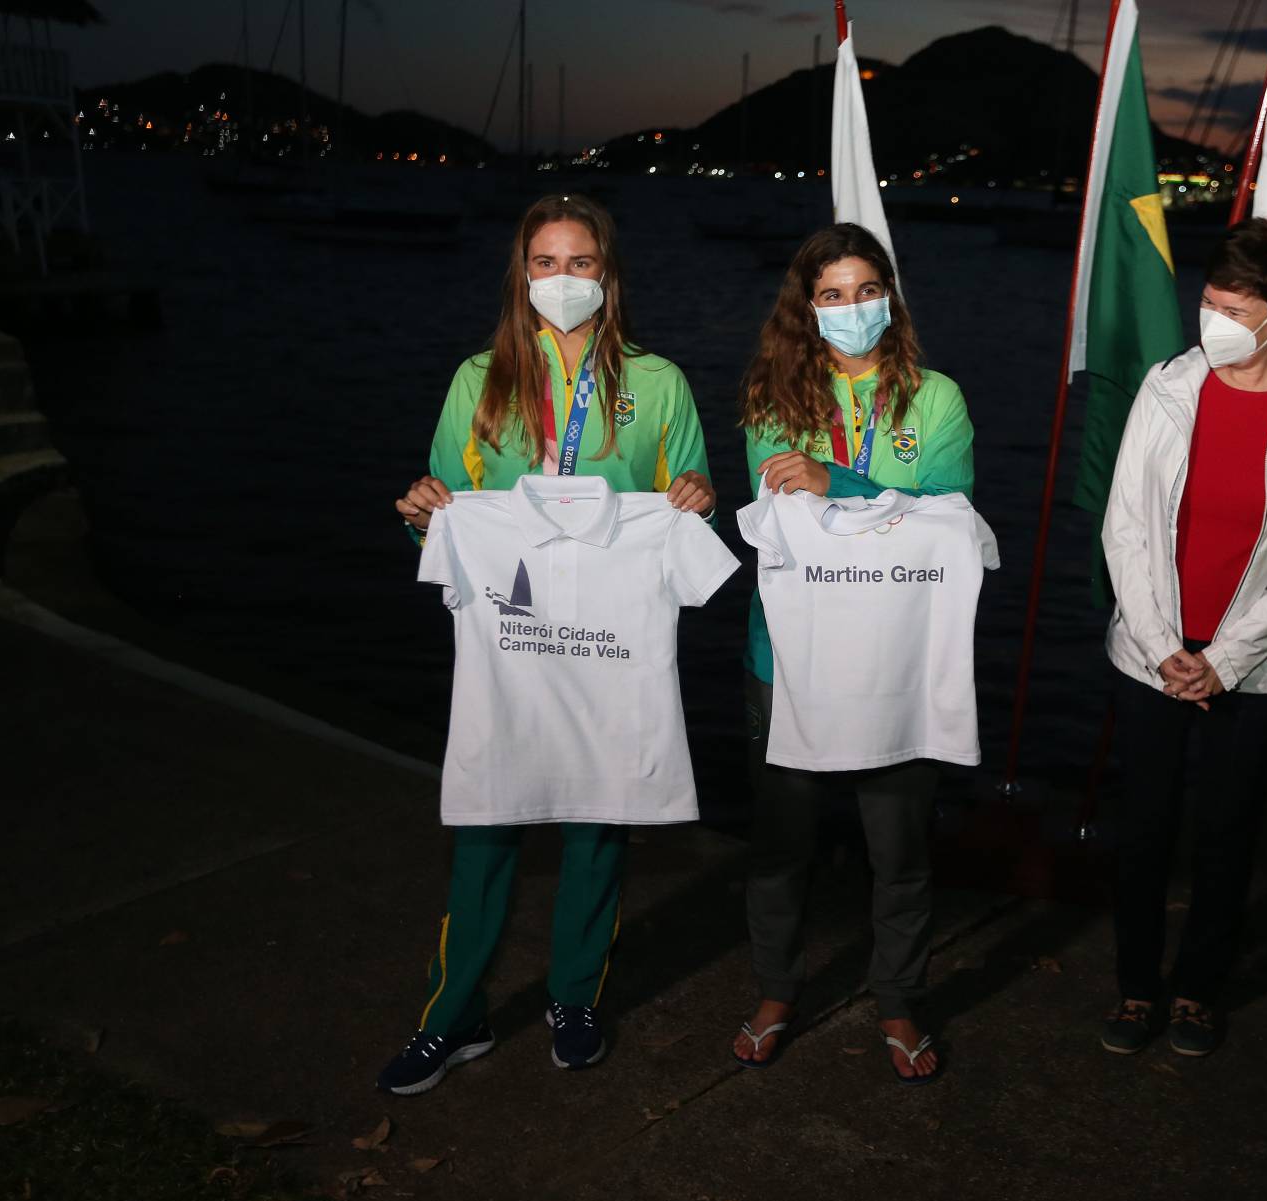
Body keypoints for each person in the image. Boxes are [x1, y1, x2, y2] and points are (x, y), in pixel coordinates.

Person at [379, 193, 717, 1096]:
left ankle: (574, 997)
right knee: (486, 826)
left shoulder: (661, 385)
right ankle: (454, 1017)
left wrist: (694, 502)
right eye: (544, 263)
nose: (561, 281)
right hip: (511, 646)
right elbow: (444, 519)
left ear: (609, 275)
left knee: (596, 825)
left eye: (580, 264)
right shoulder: (476, 379)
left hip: (606, 650)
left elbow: (689, 508)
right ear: (519, 274)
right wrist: (422, 515)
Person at [1098, 215, 1267, 1058]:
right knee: (1141, 828)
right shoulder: (1169, 386)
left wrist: (1224, 661)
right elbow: (1125, 525)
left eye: (1235, 310)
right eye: (1209, 303)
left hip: (1253, 669)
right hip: (1151, 656)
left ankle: (1197, 993)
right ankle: (1137, 988)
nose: (1214, 322)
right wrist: (1160, 645)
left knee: (1227, 832)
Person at [730, 222, 974, 1084]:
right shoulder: (772, 396)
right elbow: (776, 523)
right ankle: (774, 989)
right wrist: (880, 500)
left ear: (890, 298)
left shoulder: (935, 398)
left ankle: (899, 998)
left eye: (867, 290)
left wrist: (846, 481)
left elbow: (953, 519)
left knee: (898, 848)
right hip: (787, 660)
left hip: (899, 661)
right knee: (780, 844)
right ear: (805, 308)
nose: (851, 309)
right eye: (831, 295)